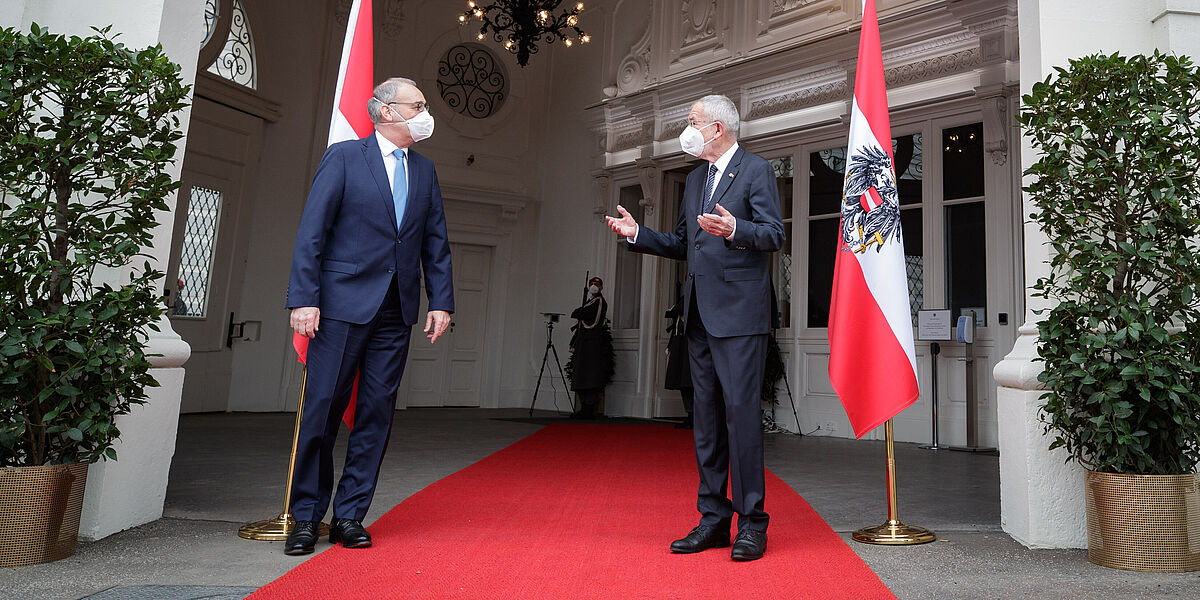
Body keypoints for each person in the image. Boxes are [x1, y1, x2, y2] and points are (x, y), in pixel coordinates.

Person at [605, 94, 784, 561]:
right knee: (705, 421)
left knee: (741, 418)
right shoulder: (694, 180)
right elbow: (686, 243)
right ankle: (713, 519)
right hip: (700, 317)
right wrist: (638, 235)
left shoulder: (756, 170)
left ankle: (752, 525)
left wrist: (735, 230)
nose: (687, 129)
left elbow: (774, 234)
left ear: (718, 129)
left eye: (692, 122)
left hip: (742, 317)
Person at [283, 77, 454, 556]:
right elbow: (312, 232)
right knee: (322, 412)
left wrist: (441, 300)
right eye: (416, 105)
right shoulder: (343, 157)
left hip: (396, 311)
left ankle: (351, 515)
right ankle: (306, 518)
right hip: (338, 308)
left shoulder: (424, 170)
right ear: (385, 111)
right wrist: (303, 297)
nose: (424, 112)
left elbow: (435, 243)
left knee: (376, 414)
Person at [567, 276, 614, 418]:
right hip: (584, 341)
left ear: (601, 287)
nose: (594, 286)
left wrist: (579, 312)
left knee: (589, 374)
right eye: (592, 284)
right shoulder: (590, 301)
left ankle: (588, 408)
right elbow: (576, 313)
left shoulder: (599, 301)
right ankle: (584, 407)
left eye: (597, 284)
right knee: (581, 373)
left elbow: (581, 313)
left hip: (592, 342)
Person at [663, 293, 694, 430]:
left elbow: (678, 309)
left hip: (690, 344)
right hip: (679, 342)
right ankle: (690, 414)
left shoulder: (694, 295)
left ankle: (696, 417)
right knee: (682, 383)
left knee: (690, 382)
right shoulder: (685, 296)